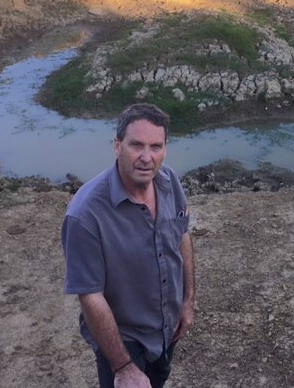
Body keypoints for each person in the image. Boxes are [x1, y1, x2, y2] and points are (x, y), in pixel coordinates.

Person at [61, 103, 195, 388]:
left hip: (166, 328)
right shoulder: (85, 215)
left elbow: (182, 235)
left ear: (165, 148)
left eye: (156, 146)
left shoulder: (170, 181)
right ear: (117, 145)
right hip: (124, 339)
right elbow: (90, 295)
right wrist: (123, 367)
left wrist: (187, 301)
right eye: (137, 145)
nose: (147, 158)